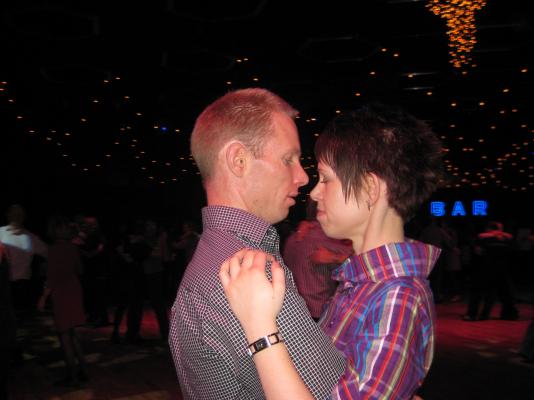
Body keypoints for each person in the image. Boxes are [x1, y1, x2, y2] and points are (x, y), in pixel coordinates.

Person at [220, 103, 443, 399]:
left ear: (370, 188)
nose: (314, 193)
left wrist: (259, 327)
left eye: (326, 179)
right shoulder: (362, 283)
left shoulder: (397, 298)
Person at [169, 88, 345, 399]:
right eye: (288, 159)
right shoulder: (253, 273)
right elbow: (337, 394)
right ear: (238, 160)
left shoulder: (210, 258)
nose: (303, 177)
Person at [37, 216, 88, 386]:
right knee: (73, 334)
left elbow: (51, 278)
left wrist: (43, 297)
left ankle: (72, 377)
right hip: (74, 289)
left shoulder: (52, 250)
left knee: (65, 335)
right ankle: (83, 371)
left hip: (61, 292)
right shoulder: (73, 248)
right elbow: (80, 270)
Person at [283, 199, 352, 321]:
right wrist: (335, 257)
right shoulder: (330, 240)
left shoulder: (294, 237)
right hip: (317, 310)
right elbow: (366, 262)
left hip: (291, 308)